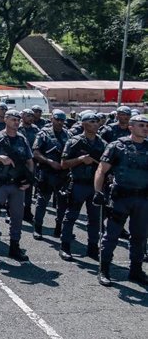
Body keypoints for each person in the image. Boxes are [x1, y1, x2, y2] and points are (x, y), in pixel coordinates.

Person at [93, 114, 148, 287]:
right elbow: (101, 170)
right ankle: (104, 269)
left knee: (140, 236)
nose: (145, 128)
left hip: (143, 199)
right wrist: (98, 191)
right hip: (121, 198)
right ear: (131, 127)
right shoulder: (117, 146)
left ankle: (136, 271)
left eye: (147, 126)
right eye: (141, 125)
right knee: (112, 235)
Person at [0, 110, 36, 262]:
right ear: (5, 120)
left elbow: (29, 161)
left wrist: (28, 180)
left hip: (17, 185)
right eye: (13, 119)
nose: (16, 123)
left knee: (17, 218)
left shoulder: (22, 139)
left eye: (18, 120)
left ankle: (14, 247)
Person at [59, 112, 106, 261]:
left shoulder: (102, 144)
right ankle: (65, 247)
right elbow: (64, 163)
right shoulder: (75, 142)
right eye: (92, 121)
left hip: (95, 185)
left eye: (97, 122)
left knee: (94, 219)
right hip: (78, 184)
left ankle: (92, 248)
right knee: (70, 217)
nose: (96, 124)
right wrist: (80, 159)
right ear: (84, 124)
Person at [32, 109, 71, 240]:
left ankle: (59, 228)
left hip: (63, 174)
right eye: (57, 119)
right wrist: (49, 162)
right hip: (46, 173)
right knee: (42, 201)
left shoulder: (68, 134)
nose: (60, 122)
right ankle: (37, 228)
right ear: (52, 119)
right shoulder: (43, 134)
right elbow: (36, 153)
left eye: (62, 120)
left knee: (62, 204)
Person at [18, 109, 40, 222]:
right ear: (22, 116)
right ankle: (10, 210)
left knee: (29, 187)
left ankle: (27, 210)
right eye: (28, 115)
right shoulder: (17, 128)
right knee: (15, 186)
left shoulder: (36, 130)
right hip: (18, 163)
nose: (31, 118)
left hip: (31, 162)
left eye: (32, 116)